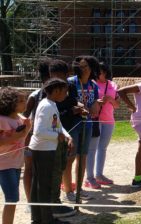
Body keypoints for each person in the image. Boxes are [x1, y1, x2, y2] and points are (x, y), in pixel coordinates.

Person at [30, 78, 73, 224]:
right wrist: (58, 136)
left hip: (47, 148)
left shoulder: (52, 104)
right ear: (56, 91)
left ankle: (39, 218)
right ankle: (45, 220)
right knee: (44, 186)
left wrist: (67, 135)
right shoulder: (46, 106)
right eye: (64, 91)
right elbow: (39, 131)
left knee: (40, 185)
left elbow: (57, 125)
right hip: (43, 150)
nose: (66, 94)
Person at [61, 56, 100, 202]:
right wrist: (77, 106)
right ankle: (68, 191)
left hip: (87, 123)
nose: (83, 69)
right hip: (72, 124)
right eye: (81, 66)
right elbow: (65, 101)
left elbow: (94, 101)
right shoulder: (71, 82)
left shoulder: (93, 85)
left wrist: (96, 104)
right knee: (69, 157)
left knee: (82, 157)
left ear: (91, 67)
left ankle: (79, 189)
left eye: (86, 66)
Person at [22, 59, 51, 210]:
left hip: (49, 139)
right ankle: (30, 202)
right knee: (29, 169)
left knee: (45, 170)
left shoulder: (58, 95)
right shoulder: (35, 95)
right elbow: (24, 116)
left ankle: (44, 201)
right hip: (33, 137)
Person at [86, 63, 119, 189]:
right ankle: (89, 178)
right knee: (92, 149)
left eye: (101, 71)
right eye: (98, 72)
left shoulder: (113, 85)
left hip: (109, 120)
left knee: (103, 148)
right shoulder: (91, 84)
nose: (100, 74)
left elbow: (117, 105)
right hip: (95, 119)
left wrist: (110, 99)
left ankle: (99, 175)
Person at [0, 87, 31, 224]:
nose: (25, 103)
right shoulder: (2, 120)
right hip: (4, 165)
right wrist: (17, 136)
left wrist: (27, 127)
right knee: (12, 199)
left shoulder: (20, 119)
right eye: (21, 101)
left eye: (25, 100)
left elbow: (23, 136)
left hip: (17, 163)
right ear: (10, 103)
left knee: (13, 199)